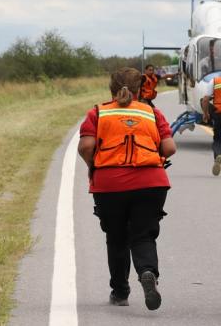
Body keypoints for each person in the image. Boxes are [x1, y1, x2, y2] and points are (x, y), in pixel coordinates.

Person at [77, 67, 177, 311]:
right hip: (151, 183)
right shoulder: (152, 113)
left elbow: (86, 146)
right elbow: (169, 148)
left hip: (110, 184)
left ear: (111, 89)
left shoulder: (97, 113)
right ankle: (147, 272)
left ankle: (120, 292)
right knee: (143, 235)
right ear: (140, 89)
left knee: (116, 237)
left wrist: (94, 166)